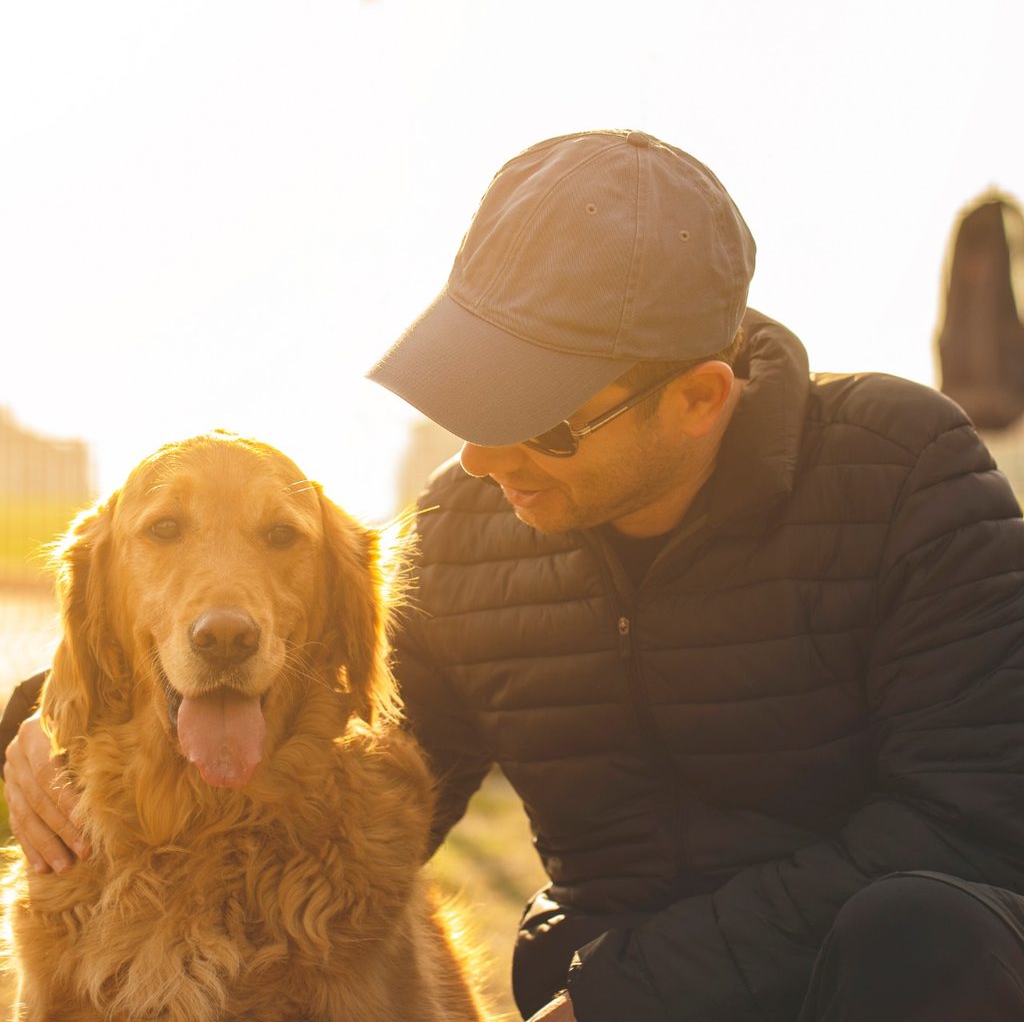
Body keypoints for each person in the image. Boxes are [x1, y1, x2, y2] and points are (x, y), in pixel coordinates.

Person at [5, 129, 1024, 1021]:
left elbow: (968, 821)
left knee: (924, 929)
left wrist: (625, 998)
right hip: (596, 978)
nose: (486, 458)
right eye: (472, 397)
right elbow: (330, 731)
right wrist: (46, 719)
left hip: (840, 984)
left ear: (701, 399)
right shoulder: (466, 530)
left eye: (540, 417)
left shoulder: (904, 474)